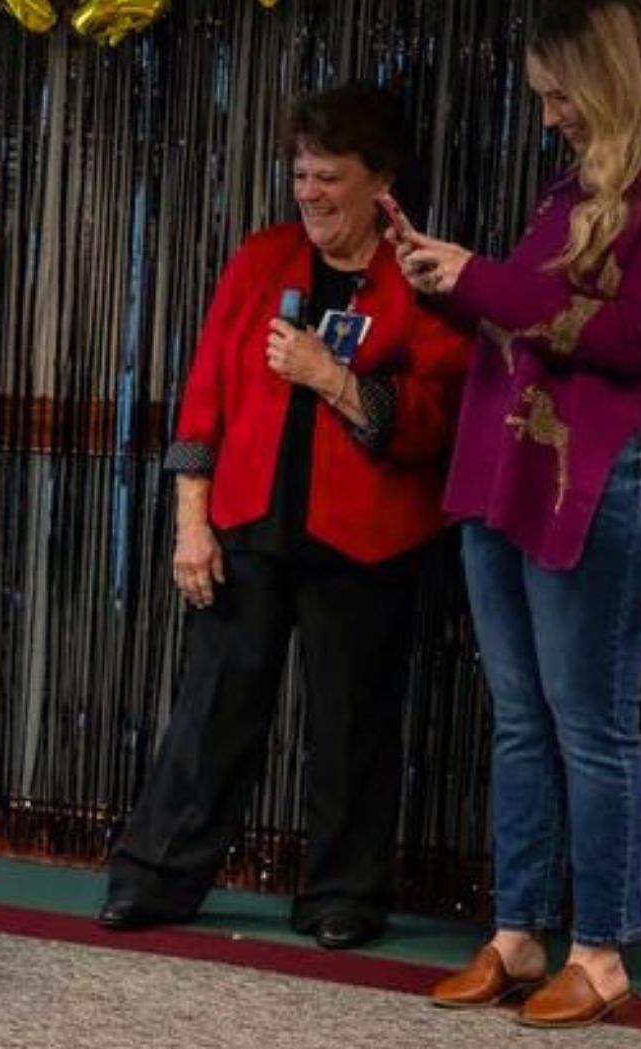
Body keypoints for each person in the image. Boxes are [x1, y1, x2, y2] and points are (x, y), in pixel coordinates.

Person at [399, 0, 641, 1028]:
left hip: (607, 484)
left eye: (561, 96)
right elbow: (527, 311)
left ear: (611, 79)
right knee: (519, 718)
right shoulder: (576, 186)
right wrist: (450, 281)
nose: (549, 116)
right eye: (543, 99)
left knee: (589, 726)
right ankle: (517, 933)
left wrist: (484, 280)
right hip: (513, 471)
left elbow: (634, 338)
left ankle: (600, 953)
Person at [100, 83, 469, 950]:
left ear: (381, 184)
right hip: (248, 529)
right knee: (211, 715)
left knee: (352, 728)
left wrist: (332, 378)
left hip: (366, 541)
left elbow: (432, 423)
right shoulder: (260, 259)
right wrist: (192, 523)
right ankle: (155, 878)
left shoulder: (419, 278)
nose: (308, 191)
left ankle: (344, 893)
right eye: (301, 172)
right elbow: (204, 402)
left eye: (329, 176)